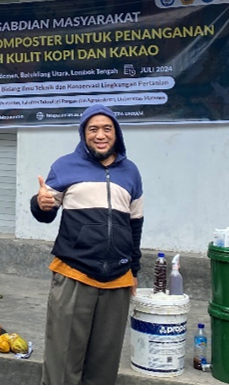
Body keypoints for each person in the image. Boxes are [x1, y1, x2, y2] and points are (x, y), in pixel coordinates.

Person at [29, 104, 144, 385]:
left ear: (116, 133)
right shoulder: (65, 166)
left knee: (103, 367)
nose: (100, 135)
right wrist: (40, 203)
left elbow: (135, 224)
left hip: (117, 280)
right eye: (93, 129)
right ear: (84, 134)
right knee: (63, 361)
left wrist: (134, 271)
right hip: (74, 274)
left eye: (107, 128)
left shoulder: (130, 173)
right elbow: (45, 213)